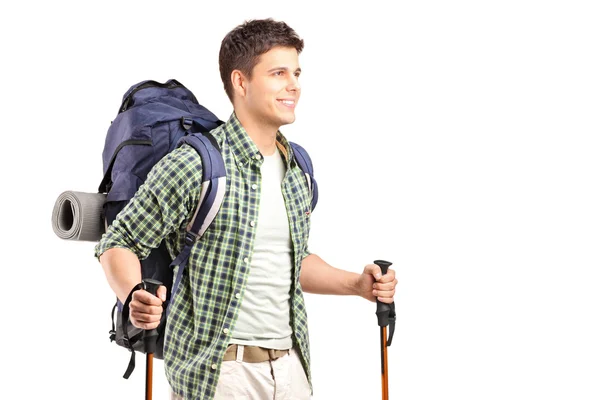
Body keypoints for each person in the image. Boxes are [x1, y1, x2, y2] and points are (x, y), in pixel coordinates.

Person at [95, 18, 397, 400]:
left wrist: (358, 285)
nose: (294, 85)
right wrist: (134, 293)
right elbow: (118, 239)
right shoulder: (196, 163)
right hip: (219, 376)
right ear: (241, 82)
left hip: (291, 369)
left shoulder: (297, 167)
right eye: (278, 73)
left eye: (297, 73)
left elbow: (293, 260)